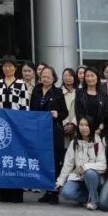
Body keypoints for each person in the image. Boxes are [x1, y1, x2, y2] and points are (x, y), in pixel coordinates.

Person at [0, 55, 30, 203]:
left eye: (10, 66)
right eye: (5, 66)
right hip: (1, 127)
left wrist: (22, 126)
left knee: (16, 158)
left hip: (17, 127)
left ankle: (17, 193)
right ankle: (3, 193)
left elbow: (25, 106)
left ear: (15, 68)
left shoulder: (21, 84)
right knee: (3, 159)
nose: (7, 68)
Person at [32, 66, 67, 204]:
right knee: (43, 161)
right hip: (39, 131)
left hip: (54, 131)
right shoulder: (36, 90)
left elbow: (65, 113)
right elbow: (32, 110)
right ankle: (46, 191)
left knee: (54, 161)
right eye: (43, 76)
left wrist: (57, 115)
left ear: (54, 78)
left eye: (48, 76)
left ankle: (54, 192)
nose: (45, 79)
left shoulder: (58, 92)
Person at [56, 116, 105, 210]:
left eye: (87, 125)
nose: (84, 128)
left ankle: (93, 202)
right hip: (78, 177)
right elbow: (68, 163)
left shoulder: (98, 142)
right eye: (81, 125)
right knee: (66, 193)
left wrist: (86, 167)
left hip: (94, 178)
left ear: (91, 127)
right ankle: (89, 198)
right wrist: (61, 180)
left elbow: (103, 165)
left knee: (89, 172)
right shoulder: (74, 142)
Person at [75, 67, 108, 133]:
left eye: (92, 76)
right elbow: (78, 112)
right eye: (87, 76)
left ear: (97, 77)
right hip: (83, 129)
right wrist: (84, 127)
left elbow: (106, 112)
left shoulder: (103, 95)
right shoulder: (79, 93)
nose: (90, 78)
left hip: (100, 130)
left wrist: (101, 126)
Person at [60, 68, 78, 142]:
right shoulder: (58, 92)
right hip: (63, 127)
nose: (68, 78)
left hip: (76, 127)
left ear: (74, 77)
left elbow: (81, 109)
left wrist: (73, 124)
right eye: (65, 76)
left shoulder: (79, 93)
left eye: (70, 76)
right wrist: (66, 123)